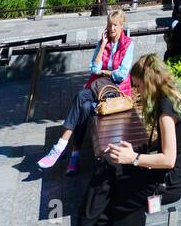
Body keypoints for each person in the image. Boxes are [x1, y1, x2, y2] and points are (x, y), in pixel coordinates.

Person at [37, 53, 181, 226]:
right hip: (163, 176)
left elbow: (169, 158)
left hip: (166, 184)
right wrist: (132, 154)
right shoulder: (173, 95)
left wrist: (133, 158)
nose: (139, 92)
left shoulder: (166, 108)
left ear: (149, 80)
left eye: (139, 86)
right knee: (106, 171)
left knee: (103, 209)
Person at [39, 9, 135, 176]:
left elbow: (121, 74)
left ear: (121, 26)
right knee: (82, 104)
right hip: (98, 87)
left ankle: (67, 152)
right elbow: (93, 68)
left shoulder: (129, 44)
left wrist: (103, 72)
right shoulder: (102, 43)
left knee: (82, 103)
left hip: (115, 92)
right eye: (109, 25)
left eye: (115, 25)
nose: (111, 28)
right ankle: (64, 149)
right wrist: (104, 45)